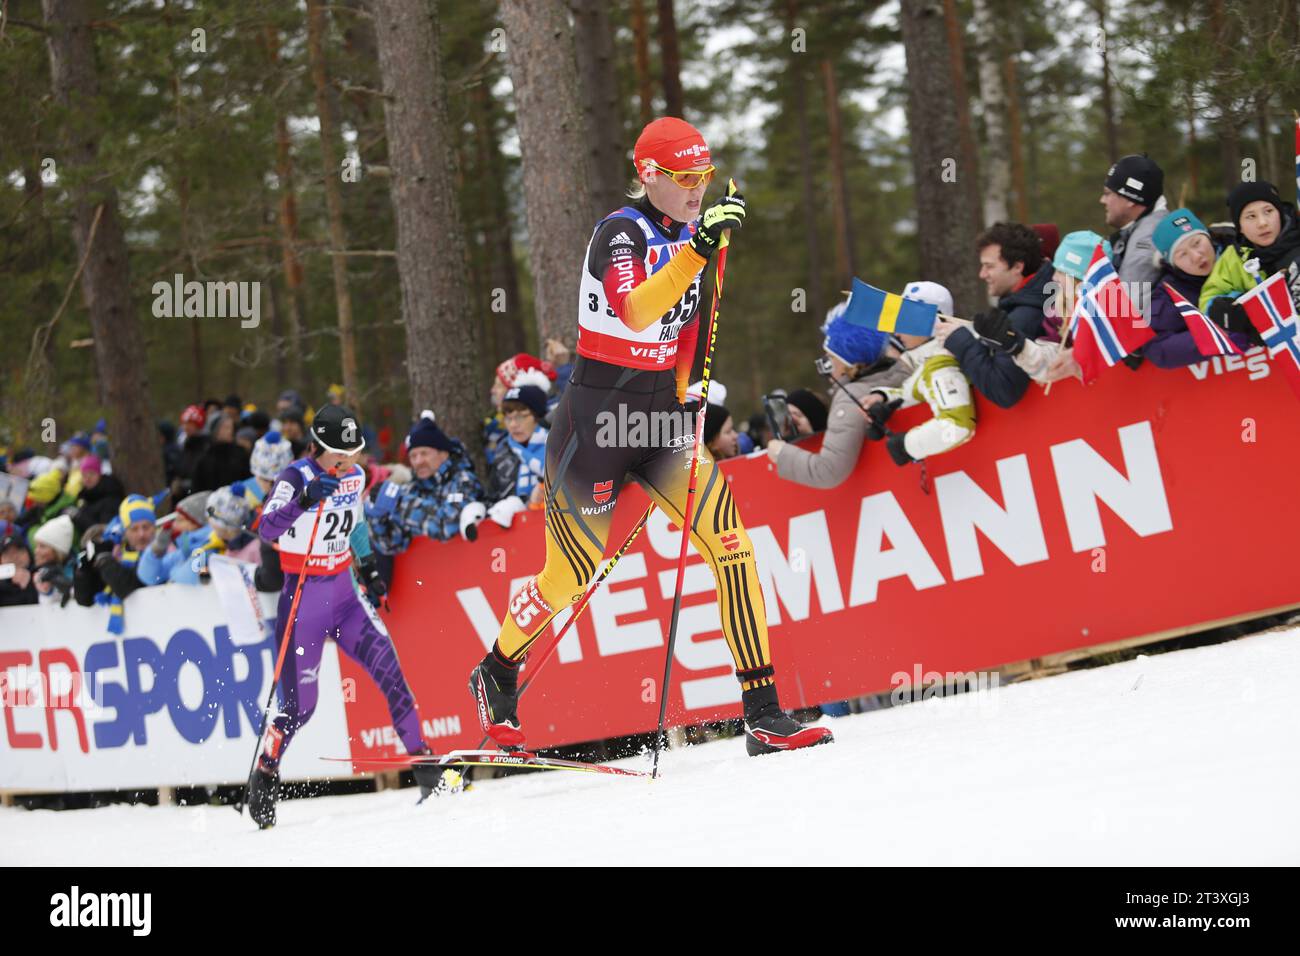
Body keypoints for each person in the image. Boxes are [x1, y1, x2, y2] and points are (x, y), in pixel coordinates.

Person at [468, 116, 833, 757]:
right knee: (572, 572)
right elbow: (638, 307)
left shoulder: (695, 233)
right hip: (596, 425)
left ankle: (762, 712)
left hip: (661, 421)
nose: (698, 189)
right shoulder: (620, 231)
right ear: (649, 175)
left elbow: (688, 320)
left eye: (705, 177)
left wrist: (688, 389)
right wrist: (699, 250)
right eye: (685, 178)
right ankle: (497, 669)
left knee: (731, 545)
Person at [248, 403, 446, 827]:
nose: (350, 458)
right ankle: (266, 770)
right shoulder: (294, 477)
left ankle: (429, 771)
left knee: (390, 673)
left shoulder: (354, 476)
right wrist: (302, 501)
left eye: (354, 450)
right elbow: (266, 528)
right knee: (301, 708)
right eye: (341, 451)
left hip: (345, 595)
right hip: (303, 602)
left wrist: (369, 565)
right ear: (319, 446)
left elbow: (354, 523)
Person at [367, 411, 485, 562]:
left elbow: (448, 525)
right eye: (413, 456)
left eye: (424, 453)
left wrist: (399, 503)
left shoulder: (463, 480)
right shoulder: (411, 490)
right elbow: (392, 544)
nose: (418, 461)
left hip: (472, 566)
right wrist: (378, 517)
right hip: (429, 576)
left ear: (443, 454)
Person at [1145, 208, 1253, 367]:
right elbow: (1155, 346)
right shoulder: (1171, 292)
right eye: (1182, 254)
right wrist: (1219, 335)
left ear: (1208, 236)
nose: (1196, 256)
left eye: (1197, 243)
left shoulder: (1243, 248)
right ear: (1172, 264)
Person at [1200, 181, 1300, 340]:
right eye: (1251, 216)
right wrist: (1239, 309)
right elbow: (1208, 300)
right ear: (1239, 226)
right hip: (1276, 356)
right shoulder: (1234, 257)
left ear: (1279, 213)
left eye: (1268, 211)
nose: (1262, 223)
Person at [72, 495, 156, 631]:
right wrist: (83, 571)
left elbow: (126, 585)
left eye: (145, 527)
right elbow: (85, 599)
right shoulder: (118, 554)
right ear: (125, 532)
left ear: (154, 528)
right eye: (134, 529)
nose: (141, 534)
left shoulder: (161, 551)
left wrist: (104, 560)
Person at [482, 383, 550, 529]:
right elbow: (492, 499)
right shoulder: (502, 454)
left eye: (520, 417)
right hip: (515, 539)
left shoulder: (557, 447)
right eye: (508, 418)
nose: (513, 425)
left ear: (536, 417)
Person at [1100, 153, 1167, 291]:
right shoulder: (1145, 230)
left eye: (1108, 194)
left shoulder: (1145, 241)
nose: (1102, 200)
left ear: (1130, 199)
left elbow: (1123, 308)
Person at [975, 222, 1055, 338]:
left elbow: (998, 356)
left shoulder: (1023, 320)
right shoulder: (1029, 302)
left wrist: (960, 342)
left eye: (990, 266)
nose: (982, 274)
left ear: (1017, 267)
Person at [71, 454, 125, 536]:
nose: (88, 478)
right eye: (84, 475)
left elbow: (105, 531)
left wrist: (79, 517)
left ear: (100, 474)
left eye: (92, 474)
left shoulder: (110, 496)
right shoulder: (86, 496)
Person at [31, 514, 76, 607]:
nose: (36, 551)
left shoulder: (77, 568)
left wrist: (69, 587)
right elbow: (47, 611)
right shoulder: (41, 572)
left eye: (42, 546)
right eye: (36, 546)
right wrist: (46, 591)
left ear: (57, 551)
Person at [0, 528, 37, 607]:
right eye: (7, 554)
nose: (14, 557)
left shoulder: (42, 573)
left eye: (19, 551)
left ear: (28, 553)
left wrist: (30, 584)